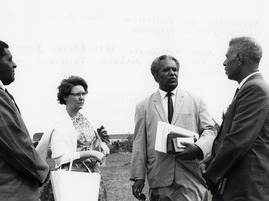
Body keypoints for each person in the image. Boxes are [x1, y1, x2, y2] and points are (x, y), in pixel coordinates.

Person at [0, 39, 50, 201]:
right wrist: (44, 172)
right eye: (9, 59)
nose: (14, 65)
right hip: (7, 193)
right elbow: (16, 144)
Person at [130, 54, 217, 201]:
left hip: (191, 176)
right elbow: (139, 143)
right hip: (159, 178)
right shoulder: (143, 106)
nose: (172, 73)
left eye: (175, 69)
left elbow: (210, 130)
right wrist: (138, 177)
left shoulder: (196, 101)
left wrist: (198, 148)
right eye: (166, 70)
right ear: (156, 76)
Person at [201, 37, 269, 201]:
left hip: (245, 190)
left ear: (239, 59)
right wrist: (210, 160)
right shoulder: (250, 87)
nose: (224, 63)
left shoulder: (254, 89)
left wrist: (210, 175)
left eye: (227, 57)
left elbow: (238, 141)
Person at [37, 75, 110, 201]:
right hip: (70, 180)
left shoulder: (84, 118)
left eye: (83, 94)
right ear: (65, 97)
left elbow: (91, 140)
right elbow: (62, 158)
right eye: (77, 94)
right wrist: (91, 153)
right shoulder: (60, 123)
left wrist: (101, 145)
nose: (82, 98)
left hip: (91, 179)